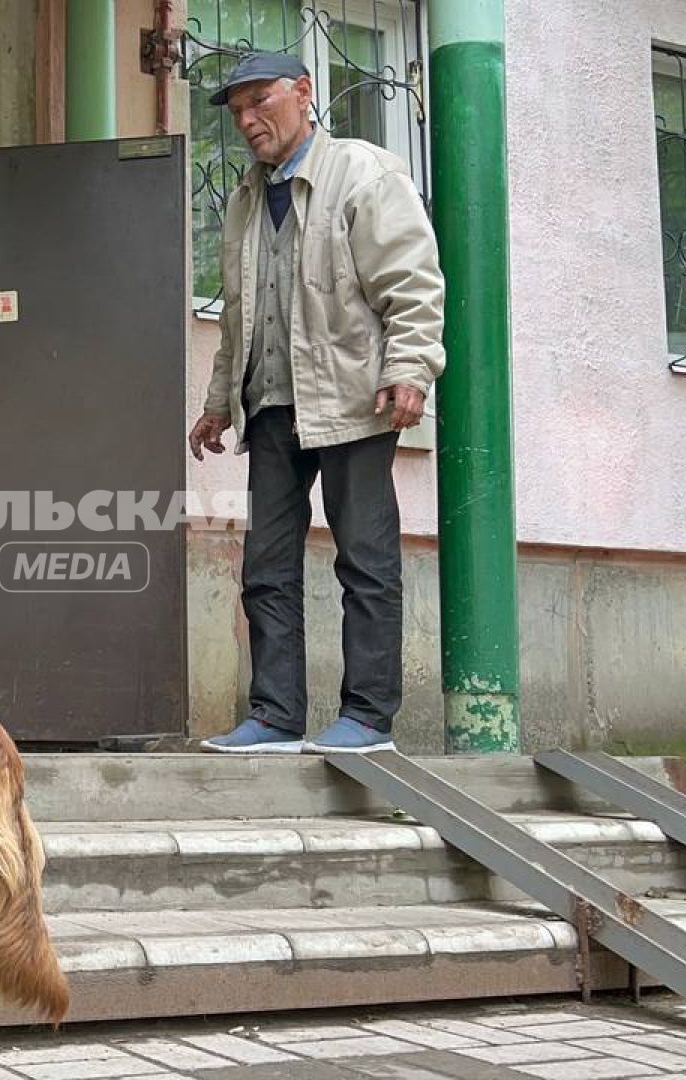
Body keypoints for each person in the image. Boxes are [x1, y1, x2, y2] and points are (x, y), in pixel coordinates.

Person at [190, 52, 445, 754]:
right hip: (270, 404)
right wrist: (219, 402)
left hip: (352, 398)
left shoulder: (363, 173)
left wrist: (411, 370)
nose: (247, 120)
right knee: (264, 565)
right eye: (237, 110)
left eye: (259, 101)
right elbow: (240, 314)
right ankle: (274, 716)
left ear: (303, 93)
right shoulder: (245, 198)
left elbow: (414, 285)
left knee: (364, 557)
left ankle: (368, 718)